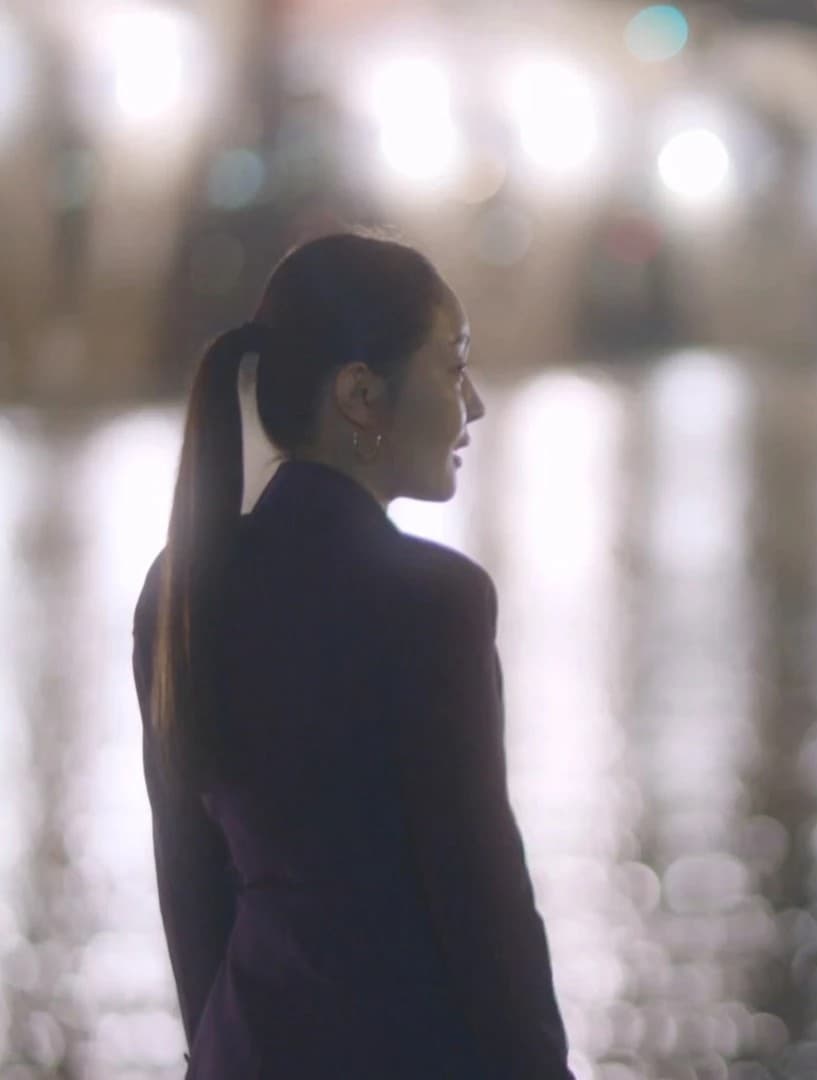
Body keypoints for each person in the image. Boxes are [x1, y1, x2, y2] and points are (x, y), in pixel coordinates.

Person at [132, 232, 572, 1078]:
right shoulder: (431, 601)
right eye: (454, 367)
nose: (474, 405)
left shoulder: (181, 590)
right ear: (362, 395)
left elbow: (187, 876)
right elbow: (481, 900)